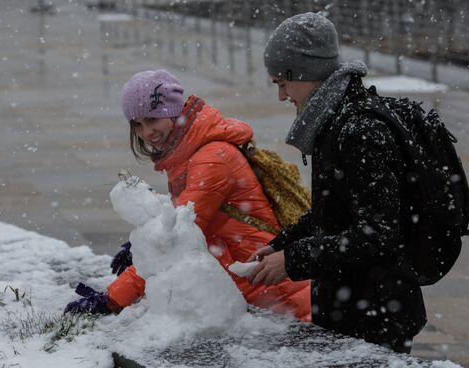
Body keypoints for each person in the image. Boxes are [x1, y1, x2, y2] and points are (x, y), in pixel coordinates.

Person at [66, 69, 311, 322]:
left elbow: (173, 244)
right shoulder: (189, 155)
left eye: (151, 119)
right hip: (256, 288)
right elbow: (183, 222)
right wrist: (139, 247)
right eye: (137, 124)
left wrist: (112, 299)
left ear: (172, 112)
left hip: (279, 295)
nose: (145, 132)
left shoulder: (211, 159)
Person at [247, 13, 426, 353]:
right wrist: (282, 243)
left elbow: (377, 234)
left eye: (282, 83)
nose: (282, 97)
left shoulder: (357, 130)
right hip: (355, 307)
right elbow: (334, 210)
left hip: (375, 313)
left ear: (304, 73)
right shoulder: (334, 121)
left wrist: (293, 260)